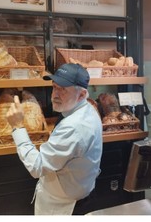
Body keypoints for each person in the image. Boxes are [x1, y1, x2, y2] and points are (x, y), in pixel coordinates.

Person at [6, 64, 102, 215]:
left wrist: (17, 127)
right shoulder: (86, 109)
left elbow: (37, 167)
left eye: (63, 89)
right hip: (77, 193)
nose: (55, 95)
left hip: (66, 207)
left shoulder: (74, 127)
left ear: (82, 95)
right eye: (54, 87)